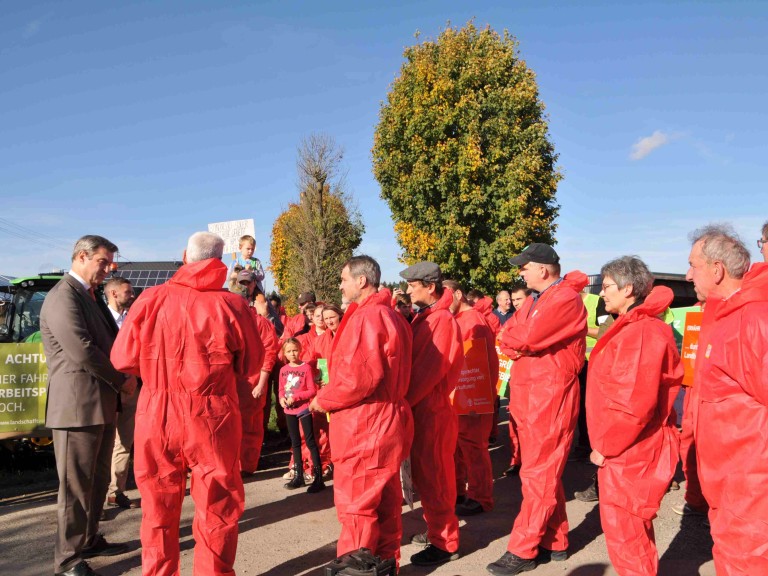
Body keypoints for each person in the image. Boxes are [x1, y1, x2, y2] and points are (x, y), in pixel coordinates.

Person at [110, 231, 264, 576]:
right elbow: (252, 365)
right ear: (220, 263)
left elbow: (122, 358)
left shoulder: (150, 299)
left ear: (184, 255)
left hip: (157, 411)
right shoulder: (233, 306)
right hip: (213, 416)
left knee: (157, 509)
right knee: (217, 507)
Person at [488, 243, 588, 576]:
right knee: (540, 471)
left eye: (524, 267)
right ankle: (556, 541)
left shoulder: (565, 299)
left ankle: (523, 548)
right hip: (532, 394)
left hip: (551, 395)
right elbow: (509, 335)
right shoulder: (534, 299)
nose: (521, 272)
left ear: (543, 269)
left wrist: (518, 340)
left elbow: (526, 337)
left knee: (539, 474)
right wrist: (517, 339)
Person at [308, 255, 413, 565]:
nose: (340, 285)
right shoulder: (389, 315)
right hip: (384, 421)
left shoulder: (369, 317)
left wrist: (322, 399)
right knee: (384, 502)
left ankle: (357, 569)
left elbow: (359, 379)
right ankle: (384, 565)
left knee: (357, 507)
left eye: (343, 279)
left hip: (365, 426)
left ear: (361, 281)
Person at [41, 235, 133, 576]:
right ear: (82, 256)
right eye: (103, 262)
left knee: (95, 482)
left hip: (100, 404)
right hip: (77, 407)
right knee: (76, 486)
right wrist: (121, 379)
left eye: (110, 262)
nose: (110, 268)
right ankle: (66, 560)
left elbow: (110, 343)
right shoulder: (63, 296)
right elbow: (82, 349)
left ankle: (89, 538)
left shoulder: (89, 296)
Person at [587, 256, 683, 576]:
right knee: (632, 532)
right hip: (631, 448)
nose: (602, 293)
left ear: (628, 289)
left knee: (627, 534)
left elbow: (633, 405)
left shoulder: (641, 332)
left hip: (630, 452)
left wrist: (607, 446)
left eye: (608, 286)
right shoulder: (631, 327)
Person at [686, 224, 768, 574]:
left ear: (717, 270)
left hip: (749, 484)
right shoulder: (723, 317)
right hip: (727, 483)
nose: (688, 275)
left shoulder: (753, 318)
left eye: (693, 265)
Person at [402, 261, 464, 567]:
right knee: (428, 477)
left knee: (436, 478)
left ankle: (445, 542)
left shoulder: (440, 321)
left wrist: (403, 401)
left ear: (430, 286)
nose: (408, 289)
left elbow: (428, 371)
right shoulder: (426, 317)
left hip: (432, 409)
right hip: (424, 408)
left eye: (413, 285)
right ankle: (437, 531)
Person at [443, 279, 499, 517]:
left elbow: (481, 364)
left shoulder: (473, 321)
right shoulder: (458, 319)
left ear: (458, 294)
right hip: (459, 396)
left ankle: (480, 497)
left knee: (474, 448)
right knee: (457, 448)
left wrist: (480, 398)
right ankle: (460, 492)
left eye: (446, 298)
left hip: (473, 397)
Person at [230, 270, 280, 476]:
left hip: (251, 383)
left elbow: (270, 352)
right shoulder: (227, 320)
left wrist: (261, 382)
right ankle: (234, 463)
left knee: (251, 425)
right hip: (230, 383)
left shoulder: (260, 323)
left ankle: (248, 465)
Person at [104, 276, 140, 511]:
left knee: (124, 442)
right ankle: (99, 491)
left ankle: (116, 491)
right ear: (114, 294)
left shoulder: (134, 319)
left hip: (131, 388)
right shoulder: (100, 318)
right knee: (104, 442)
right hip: (107, 389)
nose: (133, 295)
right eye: (128, 292)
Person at [279, 338, 325, 493]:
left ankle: (318, 477)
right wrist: (281, 399)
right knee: (295, 442)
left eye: (295, 350)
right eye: (289, 351)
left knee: (310, 441)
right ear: (284, 353)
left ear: (300, 350)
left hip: (303, 409)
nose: (292, 354)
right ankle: (298, 475)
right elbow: (280, 389)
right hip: (289, 410)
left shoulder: (305, 368)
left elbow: (312, 390)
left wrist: (296, 398)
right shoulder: (283, 370)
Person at [503, 284, 530, 477]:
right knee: (514, 423)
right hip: (515, 378)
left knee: (528, 427)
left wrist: (521, 348)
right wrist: (517, 350)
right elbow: (502, 340)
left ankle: (527, 461)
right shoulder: (513, 319)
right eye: (513, 300)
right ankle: (516, 460)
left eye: (518, 299)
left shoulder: (535, 318)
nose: (515, 303)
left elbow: (531, 342)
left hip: (531, 381)